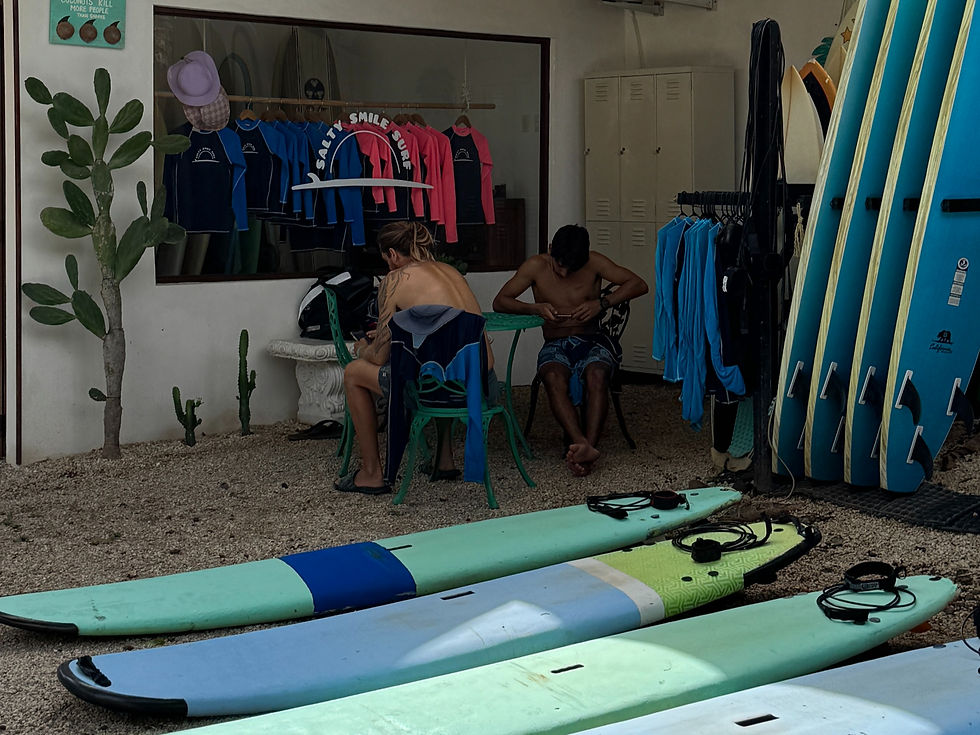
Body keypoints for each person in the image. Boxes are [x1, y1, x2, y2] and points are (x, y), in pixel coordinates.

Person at [337, 221, 494, 495]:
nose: (387, 265)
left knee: (353, 373)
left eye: (386, 259)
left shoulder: (395, 279)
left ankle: (372, 473)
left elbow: (380, 356)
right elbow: (453, 336)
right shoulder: (451, 271)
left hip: (439, 392)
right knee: (445, 361)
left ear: (393, 255)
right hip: (481, 386)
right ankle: (444, 459)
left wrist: (362, 347)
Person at [492, 224, 648, 477]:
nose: (563, 273)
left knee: (596, 375)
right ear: (551, 249)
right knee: (553, 377)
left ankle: (588, 448)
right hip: (555, 343)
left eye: (570, 268)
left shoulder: (595, 262)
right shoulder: (535, 266)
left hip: (593, 339)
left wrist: (601, 303)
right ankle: (582, 444)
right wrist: (536, 308)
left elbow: (638, 284)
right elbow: (500, 302)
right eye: (559, 265)